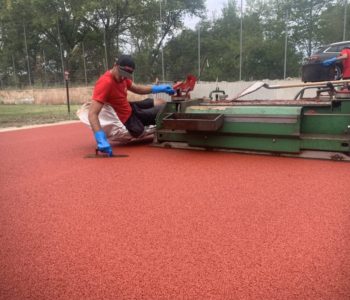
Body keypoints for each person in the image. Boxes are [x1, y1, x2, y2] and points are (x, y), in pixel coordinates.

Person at [88, 55, 174, 156]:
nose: (123, 77)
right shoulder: (105, 82)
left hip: (130, 107)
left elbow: (137, 89)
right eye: (122, 73)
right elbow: (92, 114)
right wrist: (100, 138)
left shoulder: (123, 77)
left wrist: (158, 88)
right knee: (161, 112)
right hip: (127, 117)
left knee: (160, 101)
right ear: (115, 66)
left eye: (127, 75)